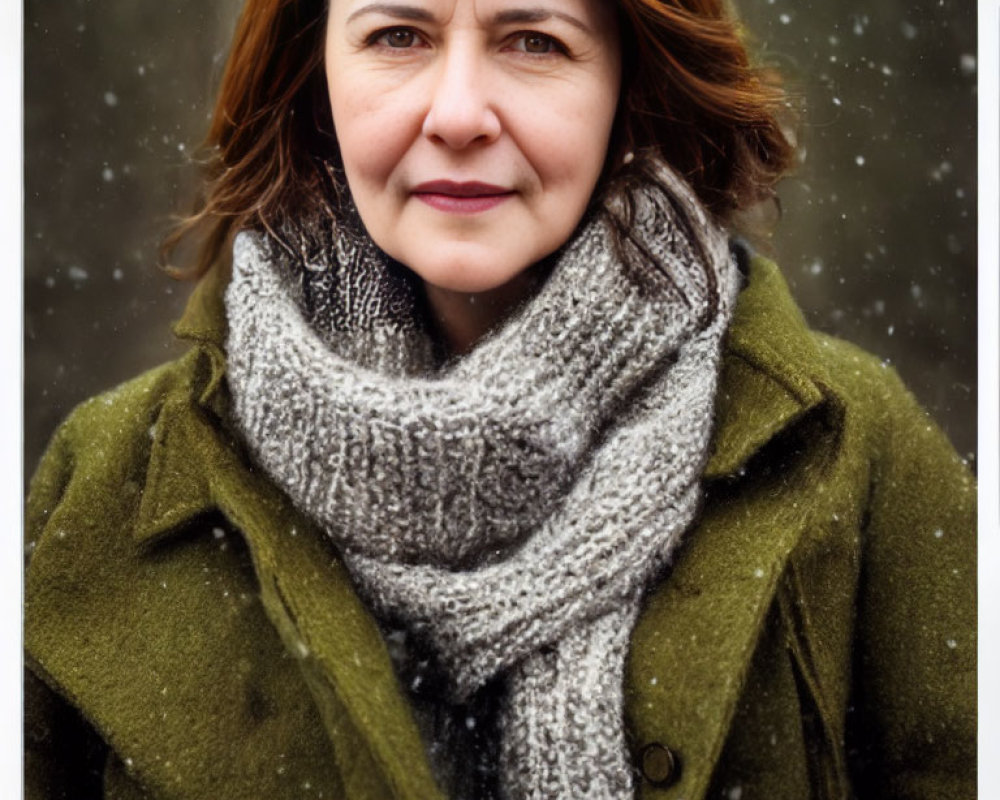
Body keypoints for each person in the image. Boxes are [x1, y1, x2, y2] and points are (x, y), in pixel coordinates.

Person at [23, 0, 975, 797]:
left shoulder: (855, 451)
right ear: (314, 77)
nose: (459, 113)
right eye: (398, 35)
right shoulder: (110, 477)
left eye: (535, 40)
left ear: (629, 84)